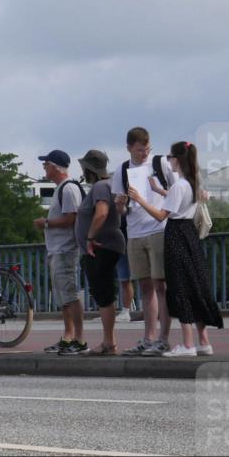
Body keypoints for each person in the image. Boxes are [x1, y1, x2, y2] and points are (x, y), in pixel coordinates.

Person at [128, 141, 222, 357]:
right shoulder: (192, 183)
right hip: (189, 234)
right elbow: (178, 199)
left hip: (176, 235)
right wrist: (158, 190)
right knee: (195, 284)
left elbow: (162, 215)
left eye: (170, 156)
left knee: (180, 288)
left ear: (177, 159)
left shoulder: (180, 185)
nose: (168, 160)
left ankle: (187, 345)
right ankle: (203, 342)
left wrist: (140, 199)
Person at [111, 127, 176, 356]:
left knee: (161, 286)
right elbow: (120, 209)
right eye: (140, 150)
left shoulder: (160, 163)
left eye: (147, 149)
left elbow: (177, 192)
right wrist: (120, 203)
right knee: (145, 287)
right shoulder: (122, 170)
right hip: (135, 232)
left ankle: (163, 338)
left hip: (159, 228)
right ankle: (149, 337)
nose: (144, 154)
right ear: (129, 148)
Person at [33, 150, 86, 355]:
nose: (44, 167)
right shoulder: (61, 189)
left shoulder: (68, 188)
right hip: (57, 249)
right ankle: (68, 336)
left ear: (55, 166)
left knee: (70, 294)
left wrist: (45, 222)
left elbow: (71, 218)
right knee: (63, 296)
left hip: (66, 249)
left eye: (46, 164)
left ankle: (79, 338)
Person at [75, 150, 126, 356]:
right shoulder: (109, 184)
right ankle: (109, 341)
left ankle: (108, 342)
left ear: (89, 169)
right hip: (107, 244)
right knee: (104, 292)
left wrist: (89, 238)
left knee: (103, 293)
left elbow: (102, 212)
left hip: (100, 246)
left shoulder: (100, 186)